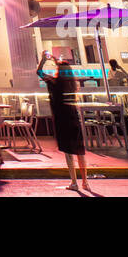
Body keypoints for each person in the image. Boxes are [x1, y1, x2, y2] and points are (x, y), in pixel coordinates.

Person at [38, 52, 90, 193]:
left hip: (62, 118)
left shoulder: (55, 83)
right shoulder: (72, 84)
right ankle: (85, 182)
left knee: (68, 152)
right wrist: (56, 61)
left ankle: (74, 182)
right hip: (74, 116)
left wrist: (44, 60)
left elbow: (39, 72)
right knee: (80, 151)